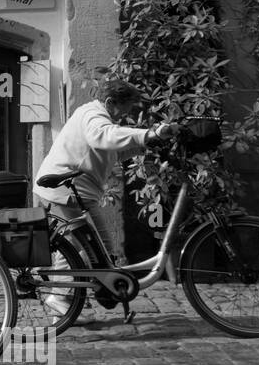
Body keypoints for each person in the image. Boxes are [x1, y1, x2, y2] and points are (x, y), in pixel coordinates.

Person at [33, 78, 176, 315]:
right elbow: (104, 136)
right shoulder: (94, 116)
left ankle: (69, 296)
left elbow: (112, 151)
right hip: (65, 191)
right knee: (85, 246)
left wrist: (146, 145)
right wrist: (146, 134)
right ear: (110, 102)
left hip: (76, 191)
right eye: (124, 110)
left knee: (100, 248)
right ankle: (59, 298)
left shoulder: (98, 117)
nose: (124, 117)